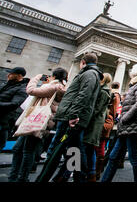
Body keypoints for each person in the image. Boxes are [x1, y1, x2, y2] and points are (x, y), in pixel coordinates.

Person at [38, 52, 103, 182]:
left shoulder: (89, 74)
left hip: (71, 117)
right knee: (74, 150)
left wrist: (73, 115)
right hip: (71, 116)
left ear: (83, 62)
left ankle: (48, 176)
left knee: (57, 149)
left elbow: (84, 95)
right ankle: (77, 177)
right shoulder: (89, 74)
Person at [8, 68, 67, 182]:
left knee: (27, 151)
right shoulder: (57, 87)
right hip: (39, 120)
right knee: (18, 149)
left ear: (54, 76)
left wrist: (36, 78)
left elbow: (31, 90)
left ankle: (22, 178)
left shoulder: (55, 86)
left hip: (38, 121)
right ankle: (15, 176)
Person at [101, 63, 137, 182]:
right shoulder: (135, 85)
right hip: (125, 128)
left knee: (134, 159)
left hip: (133, 127)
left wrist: (125, 117)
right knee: (113, 157)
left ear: (135, 73)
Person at [83, 73, 113, 182]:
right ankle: (90, 174)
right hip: (91, 124)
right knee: (88, 150)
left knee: (85, 149)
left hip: (93, 125)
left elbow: (96, 109)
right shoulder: (101, 90)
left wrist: (84, 117)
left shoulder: (104, 92)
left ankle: (87, 173)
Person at [0, 67, 29, 151]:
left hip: (3, 122)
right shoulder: (6, 85)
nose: (8, 75)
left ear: (19, 76)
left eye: (11, 74)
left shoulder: (22, 89)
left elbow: (14, 104)